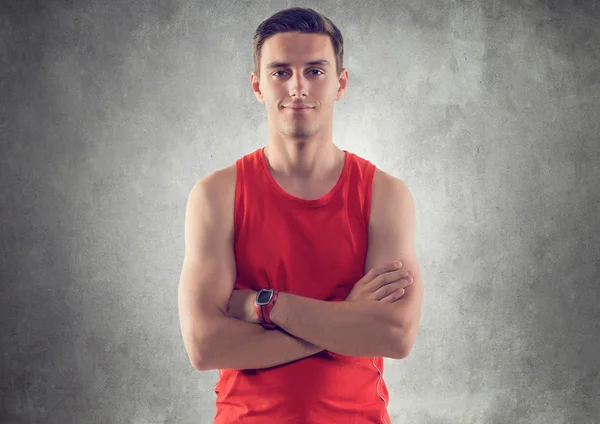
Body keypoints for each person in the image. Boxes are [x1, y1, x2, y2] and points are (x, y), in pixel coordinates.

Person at [178, 7, 424, 424]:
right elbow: (205, 346)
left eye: (314, 71)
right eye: (280, 72)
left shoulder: (385, 194)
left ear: (340, 83)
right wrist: (346, 315)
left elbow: (395, 336)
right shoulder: (216, 195)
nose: (297, 87)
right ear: (257, 86)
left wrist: (269, 306)